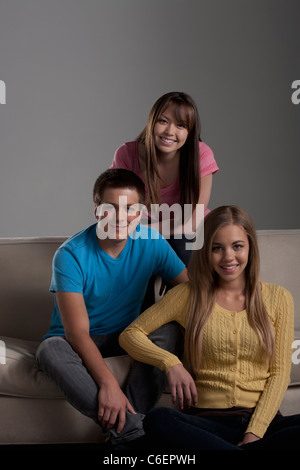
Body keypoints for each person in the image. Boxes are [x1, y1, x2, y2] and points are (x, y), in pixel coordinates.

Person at [119, 205, 300, 450]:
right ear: (206, 251)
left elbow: (280, 373)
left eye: (237, 246)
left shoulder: (279, 298)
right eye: (217, 248)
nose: (228, 257)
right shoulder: (188, 295)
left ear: (250, 248)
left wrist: (254, 433)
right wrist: (170, 363)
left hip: (263, 424)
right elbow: (130, 335)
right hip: (206, 425)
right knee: (157, 420)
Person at [36, 168, 188, 447]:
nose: (120, 217)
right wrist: (108, 384)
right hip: (77, 342)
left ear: (141, 212)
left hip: (127, 335)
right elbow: (77, 333)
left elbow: (189, 290)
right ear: (96, 211)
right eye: (110, 208)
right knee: (49, 350)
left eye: (130, 208)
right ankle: (133, 431)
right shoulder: (70, 254)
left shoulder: (152, 242)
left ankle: (127, 435)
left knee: (167, 330)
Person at [111, 91, 219, 266]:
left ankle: (184, 293)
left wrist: (143, 231)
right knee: (136, 253)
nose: (170, 131)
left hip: (187, 231)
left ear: (190, 132)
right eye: (163, 121)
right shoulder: (126, 154)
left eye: (181, 125)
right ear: (152, 122)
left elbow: (193, 220)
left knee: (181, 241)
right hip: (145, 232)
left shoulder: (201, 154)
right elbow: (117, 210)